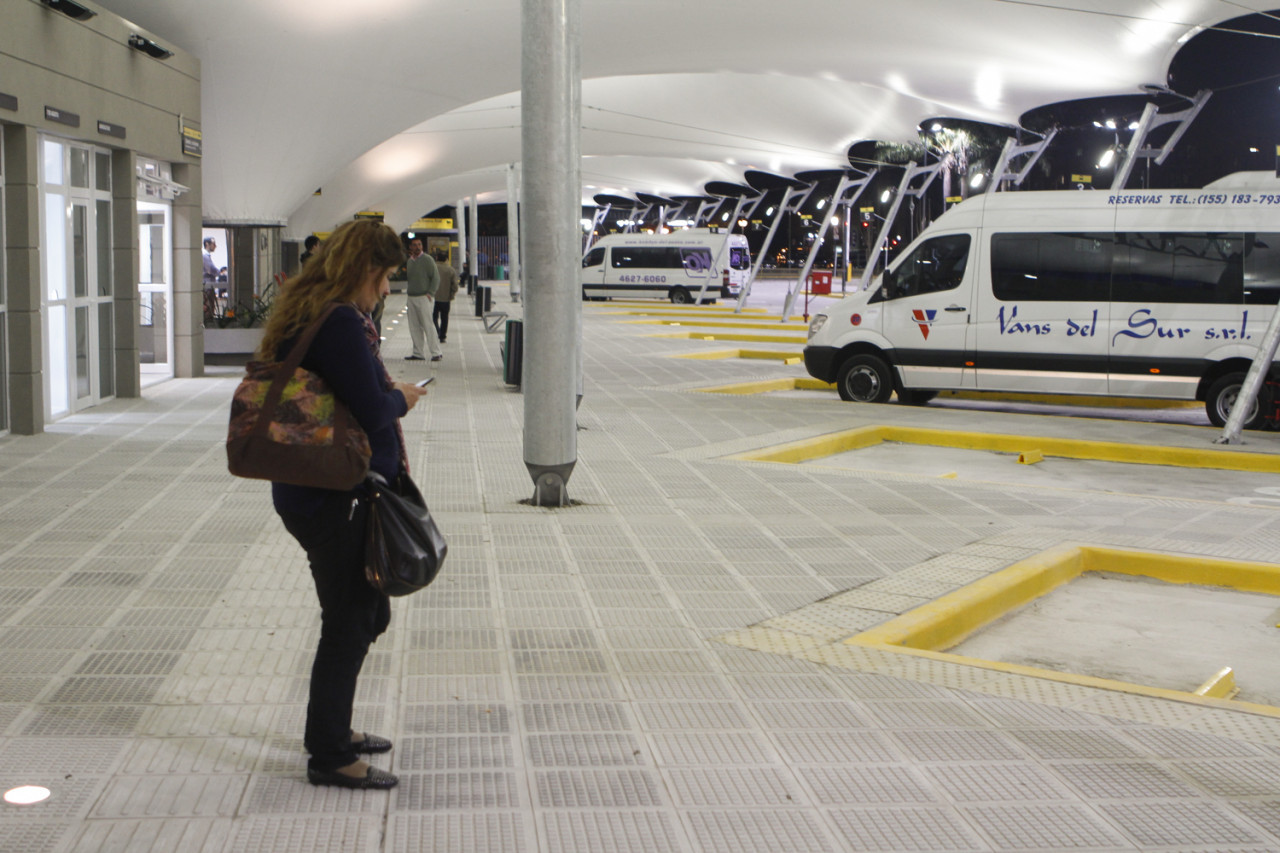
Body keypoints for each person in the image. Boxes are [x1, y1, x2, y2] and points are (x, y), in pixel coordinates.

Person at [257, 219, 427, 790]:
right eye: (383, 278)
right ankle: (329, 754)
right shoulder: (338, 322)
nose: (385, 291)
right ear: (363, 270)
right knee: (351, 620)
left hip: (314, 489)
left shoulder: (312, 309)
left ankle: (333, 728)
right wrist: (401, 397)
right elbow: (374, 410)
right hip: (335, 495)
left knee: (364, 613)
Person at [404, 238, 441, 362]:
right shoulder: (409, 262)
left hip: (424, 297)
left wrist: (431, 293)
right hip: (412, 297)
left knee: (428, 325)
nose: (417, 247)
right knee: (414, 326)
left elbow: (435, 277)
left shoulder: (427, 260)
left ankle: (436, 352)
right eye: (414, 245)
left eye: (419, 244)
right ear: (410, 247)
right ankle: (418, 353)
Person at [432, 250, 460, 343]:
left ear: (436, 258)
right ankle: (442, 335)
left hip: (433, 298)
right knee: (444, 317)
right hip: (445, 299)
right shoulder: (450, 269)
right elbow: (455, 286)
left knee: (433, 317)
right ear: (446, 259)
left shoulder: (432, 268)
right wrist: (451, 295)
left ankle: (437, 331)